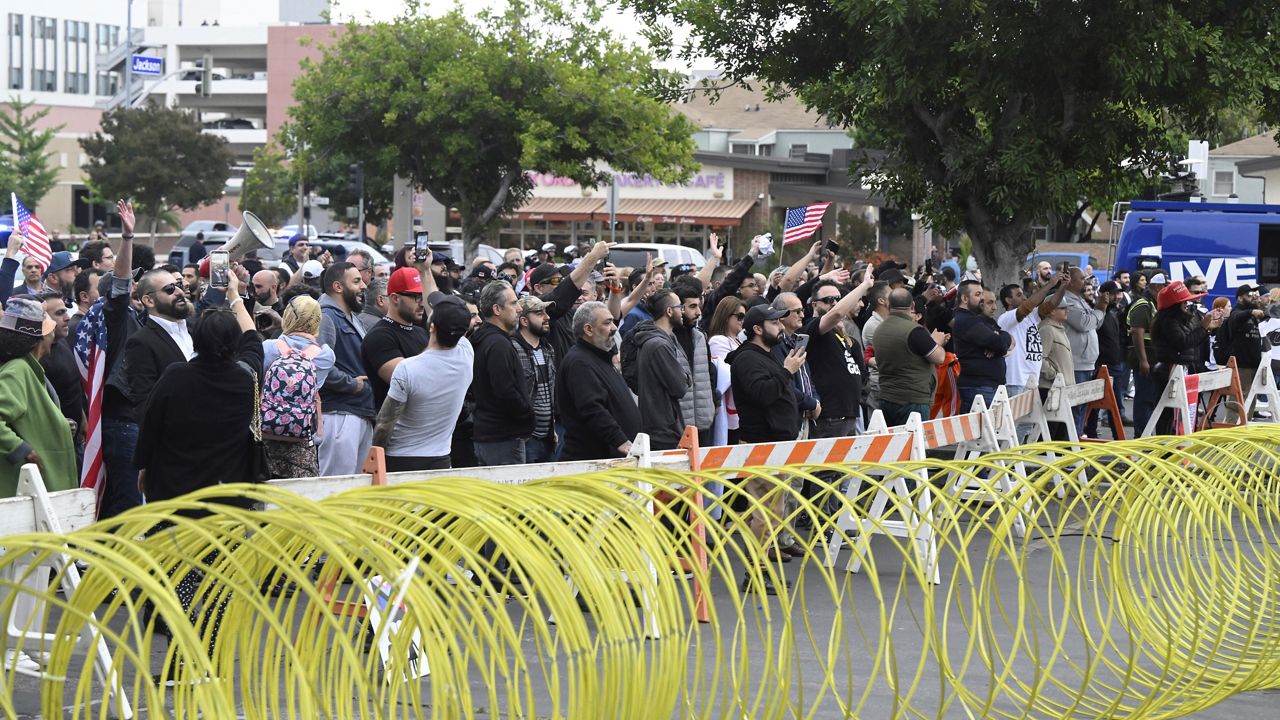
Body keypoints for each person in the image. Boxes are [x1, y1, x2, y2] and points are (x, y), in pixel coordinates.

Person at [134, 279, 263, 504]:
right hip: (227, 492)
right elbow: (252, 338)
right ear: (235, 342)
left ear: (198, 338)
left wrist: (143, 466)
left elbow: (150, 424)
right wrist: (234, 294)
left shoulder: (175, 376)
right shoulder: (245, 378)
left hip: (175, 490)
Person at [725, 304, 806, 595]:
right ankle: (755, 573)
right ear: (758, 329)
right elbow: (763, 394)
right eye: (774, 323)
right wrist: (786, 372)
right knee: (763, 510)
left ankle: (761, 567)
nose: (781, 327)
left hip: (776, 442)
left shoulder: (765, 355)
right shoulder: (747, 359)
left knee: (773, 509)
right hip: (761, 442)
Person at [372, 296, 474, 471]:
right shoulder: (466, 355)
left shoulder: (407, 369)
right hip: (440, 459)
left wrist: (374, 457)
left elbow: (384, 423)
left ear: (432, 327)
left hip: (400, 459)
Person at [0, 297, 75, 497]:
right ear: (40, 336)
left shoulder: (29, 369)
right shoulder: (17, 371)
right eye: (49, 329)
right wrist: (21, 449)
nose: (52, 334)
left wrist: (58, 425)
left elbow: (27, 419)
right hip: (30, 494)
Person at [260, 296, 334, 478]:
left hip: (266, 434)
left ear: (287, 316)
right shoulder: (325, 356)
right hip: (301, 437)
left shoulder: (267, 348)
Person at [555, 302, 640, 461]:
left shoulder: (600, 358)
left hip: (614, 459)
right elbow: (592, 407)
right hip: (594, 462)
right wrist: (620, 441)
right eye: (607, 322)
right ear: (588, 329)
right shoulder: (579, 362)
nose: (614, 328)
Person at [804, 267, 875, 438]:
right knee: (829, 466)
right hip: (828, 417)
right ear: (815, 304)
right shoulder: (812, 326)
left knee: (845, 465)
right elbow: (837, 314)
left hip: (849, 412)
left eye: (838, 299)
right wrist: (864, 286)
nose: (835, 303)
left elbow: (860, 370)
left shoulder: (844, 335)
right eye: (828, 300)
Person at [317, 261, 373, 476]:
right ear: (338, 287)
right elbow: (318, 365)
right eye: (356, 281)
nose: (364, 286)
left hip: (357, 413)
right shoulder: (326, 317)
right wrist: (352, 385)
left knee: (354, 489)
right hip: (339, 415)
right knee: (335, 489)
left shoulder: (351, 317)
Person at [471, 280, 534, 465]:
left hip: (492, 435)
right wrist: (527, 414)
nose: (519, 309)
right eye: (513, 303)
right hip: (502, 438)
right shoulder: (498, 344)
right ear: (497, 309)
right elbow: (505, 390)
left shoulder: (488, 340)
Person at [1149, 280, 1223, 434]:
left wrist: (1207, 328)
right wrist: (1203, 326)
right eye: (1184, 302)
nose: (1187, 305)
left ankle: (1173, 446)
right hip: (1169, 370)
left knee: (1177, 414)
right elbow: (1184, 342)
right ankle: (1164, 448)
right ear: (1175, 306)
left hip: (1178, 369)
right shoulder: (1168, 322)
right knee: (1167, 413)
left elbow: (1191, 339)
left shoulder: (1177, 320)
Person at [874, 289, 949, 427]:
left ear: (889, 305)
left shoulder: (879, 329)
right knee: (914, 446)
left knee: (893, 446)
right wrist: (937, 342)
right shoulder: (915, 331)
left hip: (887, 397)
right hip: (913, 401)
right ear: (913, 306)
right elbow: (939, 357)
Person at [361, 266, 431, 409]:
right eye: (416, 297)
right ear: (395, 298)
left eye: (423, 296)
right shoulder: (380, 336)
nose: (422, 303)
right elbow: (409, 383)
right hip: (397, 427)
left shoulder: (421, 332)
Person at [630, 290, 691, 451]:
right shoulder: (659, 345)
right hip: (663, 429)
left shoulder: (660, 340)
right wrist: (684, 376)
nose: (683, 311)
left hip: (660, 425)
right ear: (669, 311)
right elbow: (680, 387)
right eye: (680, 307)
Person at [997, 273, 1067, 400]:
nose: (1024, 297)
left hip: (1032, 382)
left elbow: (1051, 305)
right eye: (1019, 295)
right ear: (1008, 301)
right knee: (1017, 420)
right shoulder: (1006, 318)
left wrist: (1063, 287)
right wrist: (1050, 284)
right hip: (1016, 382)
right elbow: (1027, 306)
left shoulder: (1031, 317)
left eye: (1023, 293)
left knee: (1028, 421)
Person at [510, 295, 559, 463]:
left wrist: (551, 428)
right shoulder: (513, 348)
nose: (547, 317)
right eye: (539, 313)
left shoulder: (547, 348)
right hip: (526, 438)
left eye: (546, 312)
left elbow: (549, 392)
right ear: (524, 320)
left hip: (548, 437)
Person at [952, 280, 1012, 411]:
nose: (982, 298)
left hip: (987, 387)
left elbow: (1006, 337)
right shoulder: (966, 320)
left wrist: (1000, 339)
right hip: (979, 388)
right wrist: (998, 343)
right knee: (983, 430)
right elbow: (1001, 345)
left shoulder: (978, 319)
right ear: (965, 298)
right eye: (978, 294)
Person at [670, 279, 715, 448]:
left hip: (703, 422)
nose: (698, 312)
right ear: (677, 308)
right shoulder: (664, 339)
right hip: (676, 427)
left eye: (698, 306)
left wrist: (713, 403)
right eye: (692, 307)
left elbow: (710, 372)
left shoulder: (699, 336)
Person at [1060, 266, 1105, 431]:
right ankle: (1069, 445)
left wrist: (1098, 313)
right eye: (1081, 279)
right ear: (1070, 281)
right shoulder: (1066, 300)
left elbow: (1096, 323)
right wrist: (1100, 310)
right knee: (1074, 409)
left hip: (1087, 362)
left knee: (1082, 407)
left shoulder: (1079, 299)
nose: (1085, 282)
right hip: (1076, 364)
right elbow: (1084, 323)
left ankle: (1075, 442)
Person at [1128, 272, 1168, 436]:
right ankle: (1142, 437)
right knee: (1144, 399)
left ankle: (1148, 435)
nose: (1166, 290)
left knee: (1151, 399)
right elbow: (1137, 333)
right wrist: (1143, 361)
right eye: (1164, 286)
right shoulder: (1143, 304)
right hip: (1145, 359)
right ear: (1157, 286)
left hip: (1154, 359)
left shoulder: (1154, 303)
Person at [707, 296, 745, 445]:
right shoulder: (718, 340)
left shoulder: (738, 340)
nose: (742, 320)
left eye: (744, 316)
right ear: (726, 316)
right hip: (728, 407)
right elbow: (726, 374)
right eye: (739, 316)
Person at [1225, 284, 1266, 422]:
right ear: (1240, 298)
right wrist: (1250, 312)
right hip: (1241, 363)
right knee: (1237, 398)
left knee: (1251, 399)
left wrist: (1258, 304)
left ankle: (1245, 428)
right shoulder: (1237, 311)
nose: (1252, 297)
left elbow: (1269, 316)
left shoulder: (1255, 311)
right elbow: (1235, 317)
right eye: (1249, 295)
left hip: (1255, 363)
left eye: (1254, 295)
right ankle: (1231, 430)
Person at [1036, 303, 1075, 439]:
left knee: (1060, 432)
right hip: (1050, 389)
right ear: (1051, 311)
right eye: (1063, 308)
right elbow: (1039, 358)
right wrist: (1054, 375)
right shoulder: (1046, 329)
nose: (1067, 311)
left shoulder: (1058, 329)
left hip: (1061, 388)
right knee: (1048, 433)